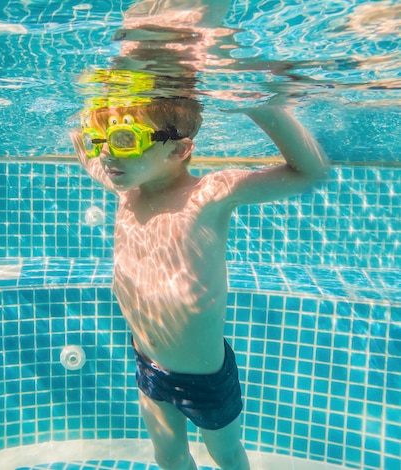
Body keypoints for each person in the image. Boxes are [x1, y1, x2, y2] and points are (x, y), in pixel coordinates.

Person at [70, 93, 327, 468]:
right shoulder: (127, 188)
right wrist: (87, 140)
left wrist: (257, 101)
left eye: (124, 139)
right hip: (148, 364)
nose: (107, 154)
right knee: (168, 456)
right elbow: (94, 163)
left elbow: (309, 171)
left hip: (204, 378)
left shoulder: (207, 195)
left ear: (178, 150)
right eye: (100, 139)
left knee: (225, 454)